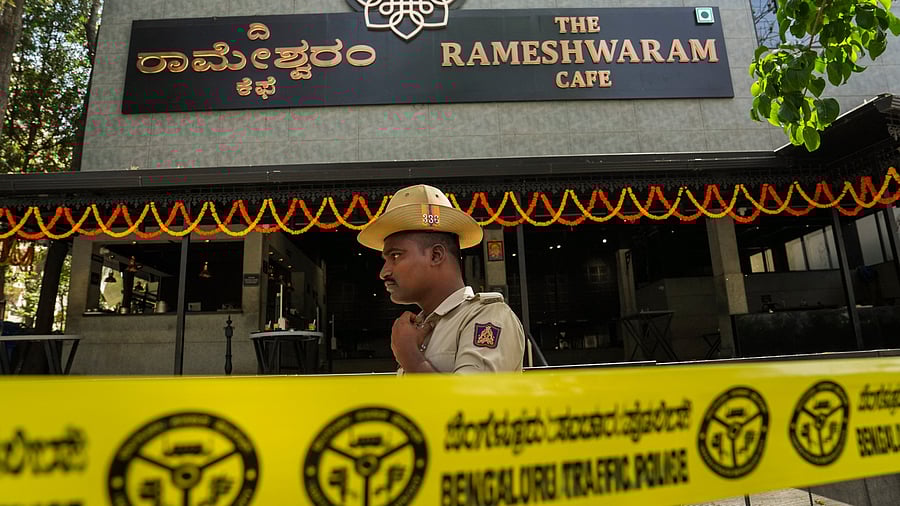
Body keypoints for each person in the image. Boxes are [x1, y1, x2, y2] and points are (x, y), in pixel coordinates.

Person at [357, 184, 526, 374]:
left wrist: (411, 358)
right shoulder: (417, 328)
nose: (384, 272)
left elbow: (471, 402)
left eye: (395, 256)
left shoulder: (488, 317)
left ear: (436, 256)